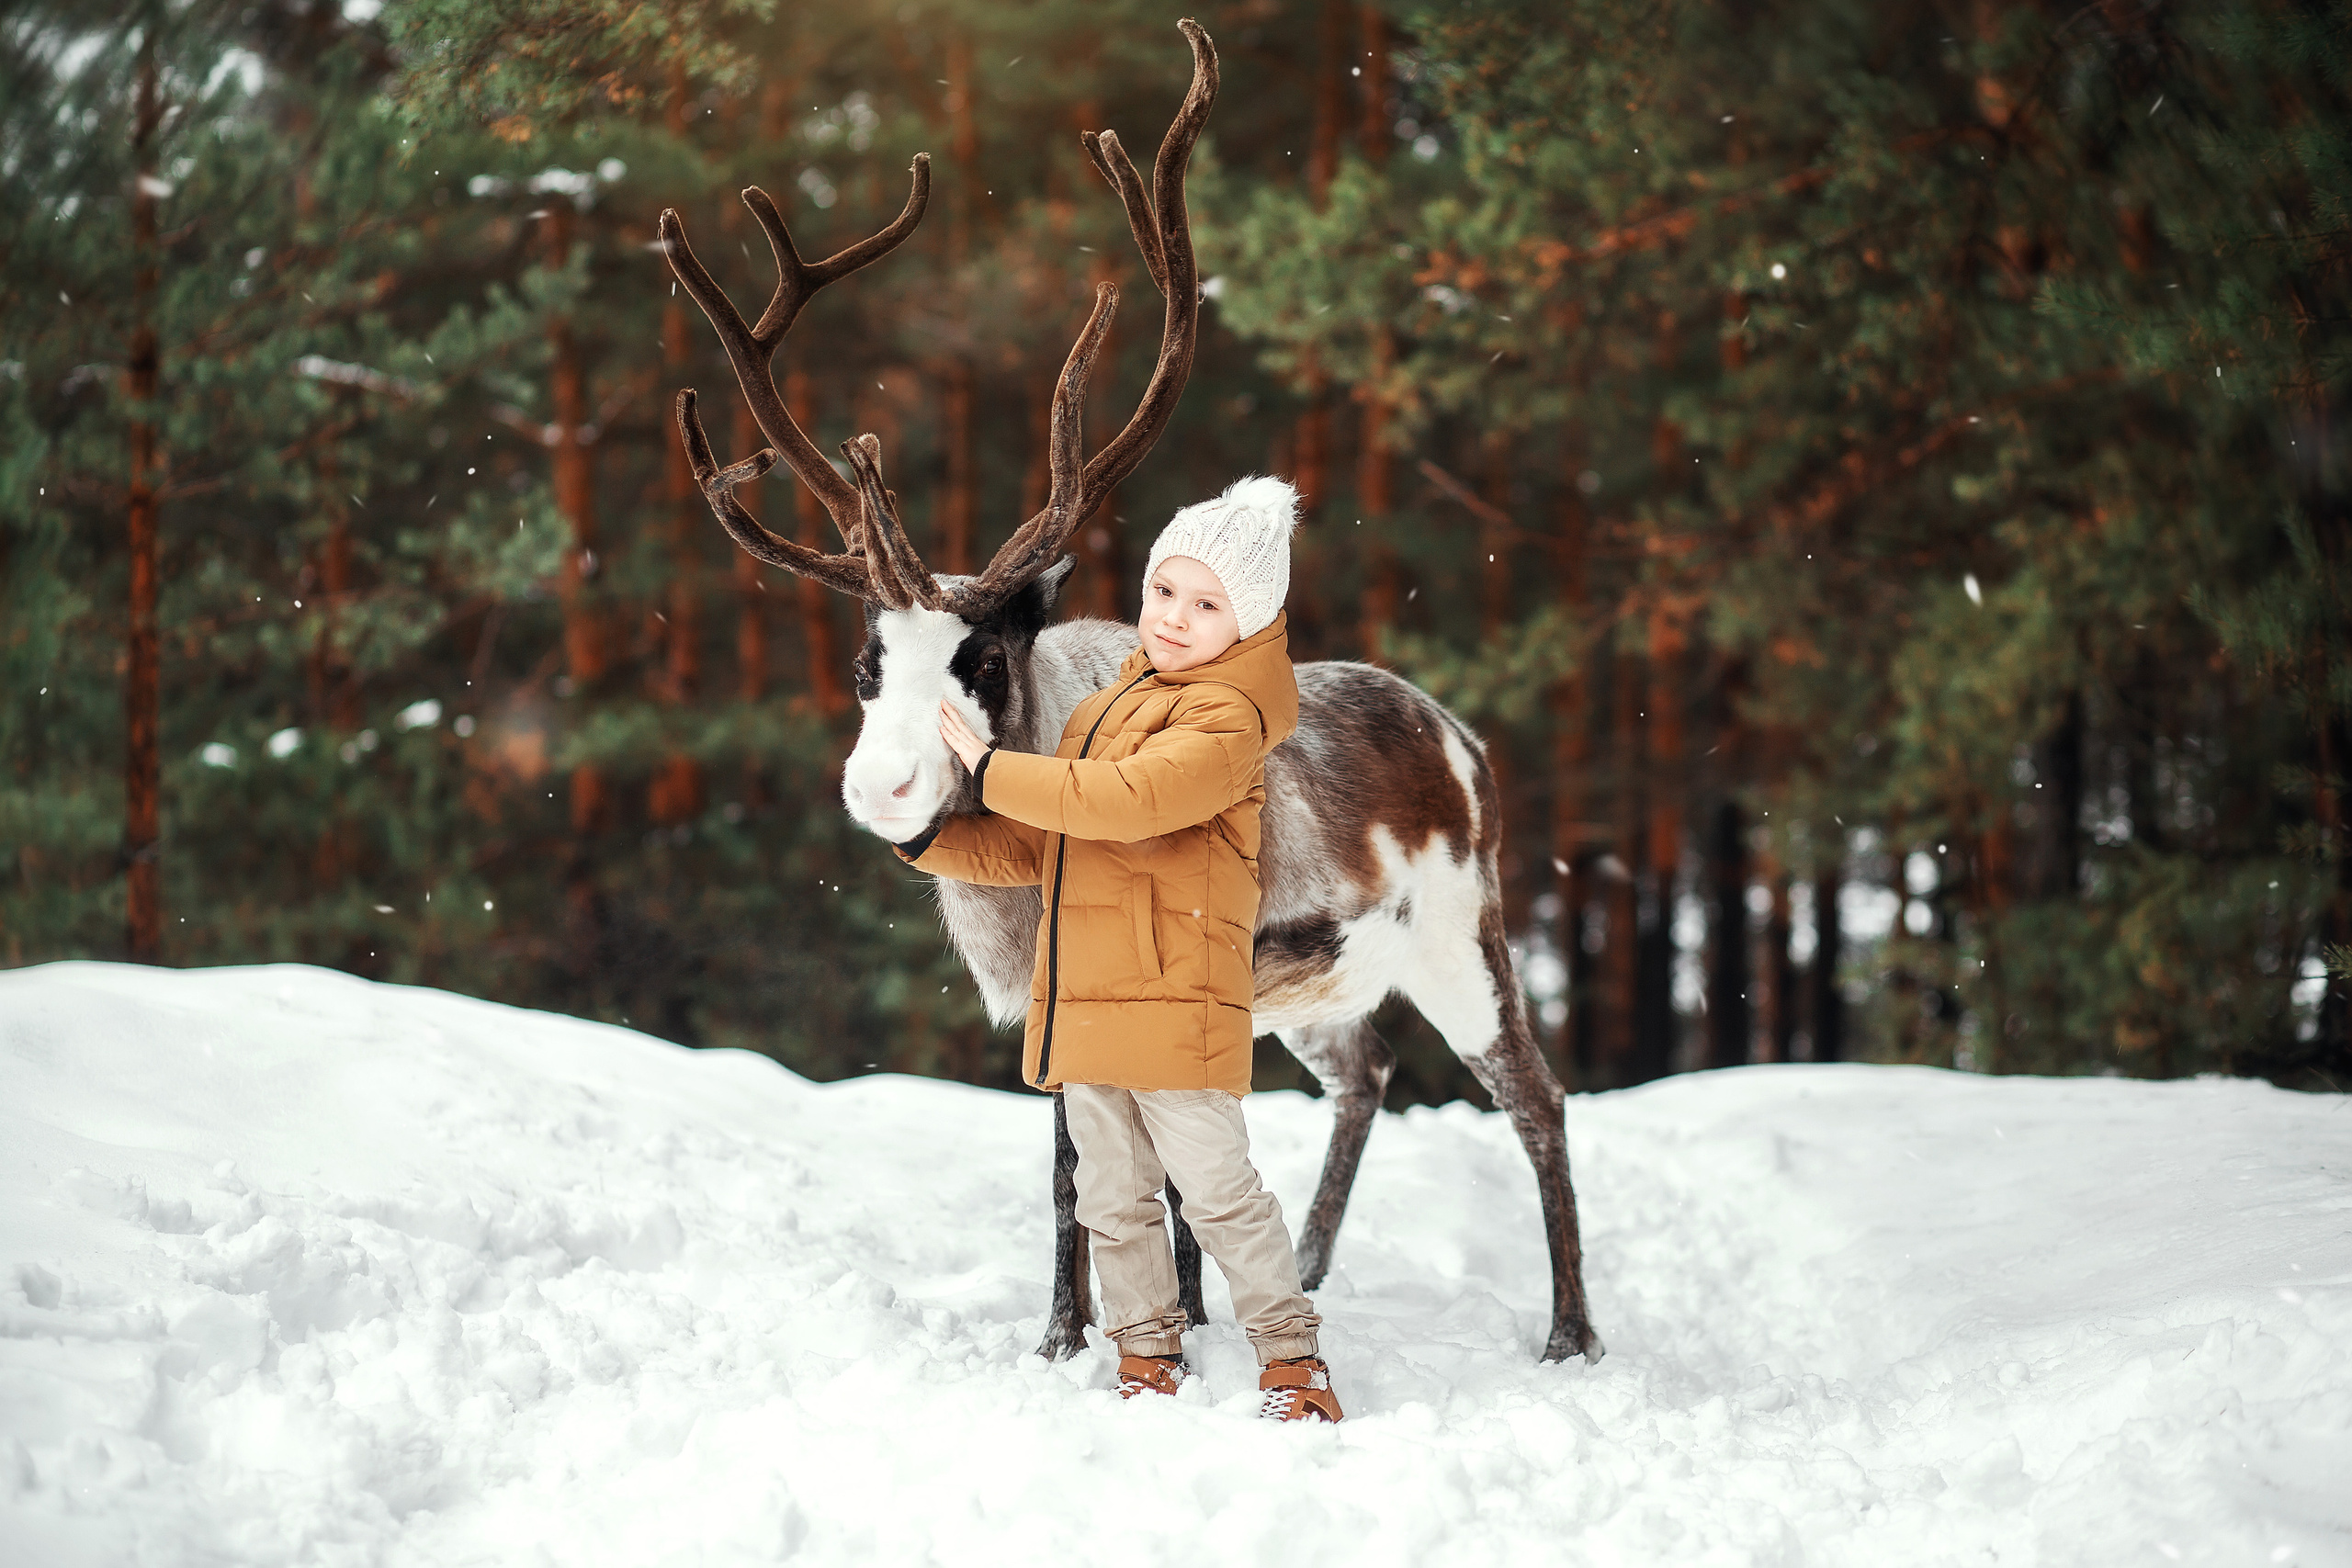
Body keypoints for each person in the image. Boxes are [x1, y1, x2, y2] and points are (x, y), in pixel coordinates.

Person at [889, 475, 1340, 1423]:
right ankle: (1146, 1354)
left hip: (1176, 997)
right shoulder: (1110, 708)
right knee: (1112, 1200)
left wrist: (988, 768)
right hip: (1091, 998)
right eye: (1164, 591)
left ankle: (1292, 1363)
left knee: (1218, 1197)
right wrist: (930, 837)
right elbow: (1052, 841)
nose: (1174, 619)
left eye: (1207, 604)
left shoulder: (1228, 723)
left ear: (1251, 624)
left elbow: (1126, 805)